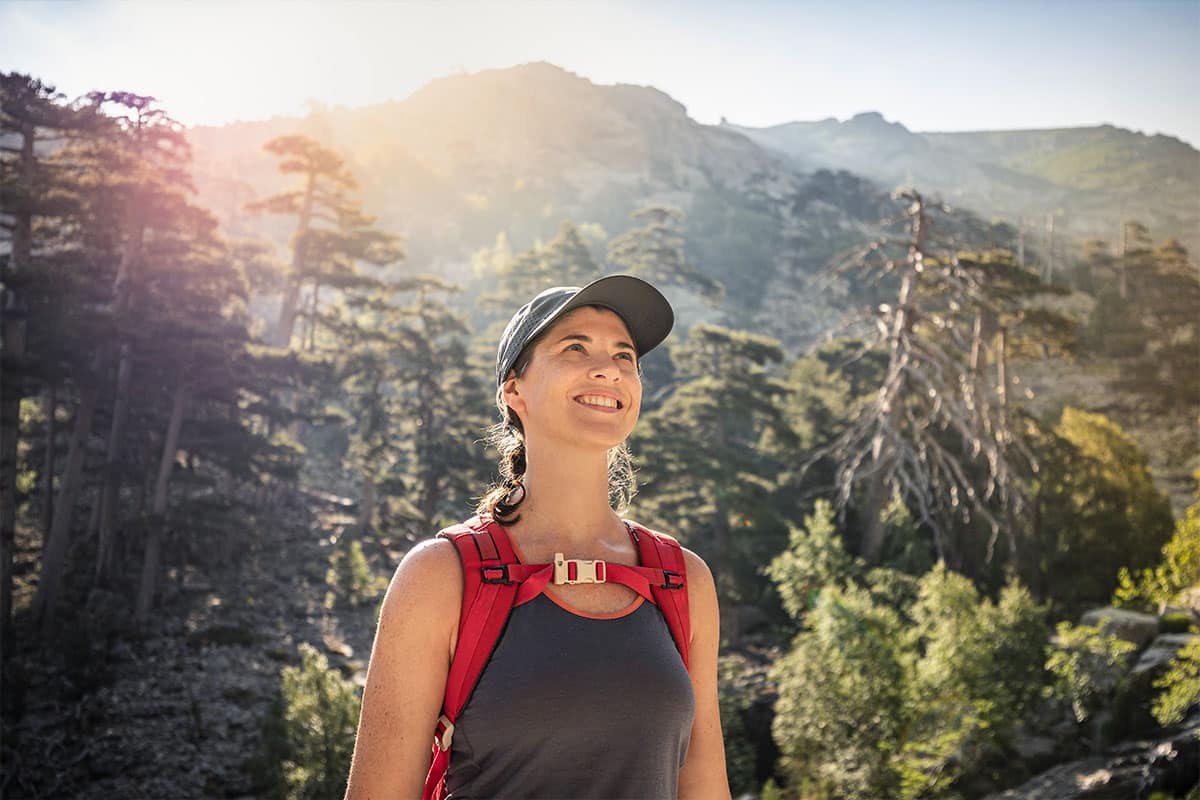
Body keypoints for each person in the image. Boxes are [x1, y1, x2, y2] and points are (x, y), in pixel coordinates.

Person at [344, 274, 731, 799]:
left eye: (625, 356)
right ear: (513, 389)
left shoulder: (683, 580)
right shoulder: (441, 577)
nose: (609, 369)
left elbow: (705, 790)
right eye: (576, 347)